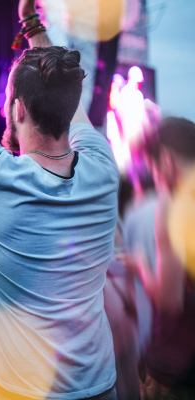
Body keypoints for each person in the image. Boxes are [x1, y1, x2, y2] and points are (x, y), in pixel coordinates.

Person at [0, 0, 119, 398]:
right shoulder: (102, 166)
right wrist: (31, 24)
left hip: (17, 389)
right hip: (96, 385)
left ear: (17, 109)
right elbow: (69, 101)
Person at [125, 117, 195, 398]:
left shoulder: (173, 207)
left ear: (165, 160)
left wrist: (141, 265)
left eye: (152, 168)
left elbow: (169, 299)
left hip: (175, 371)